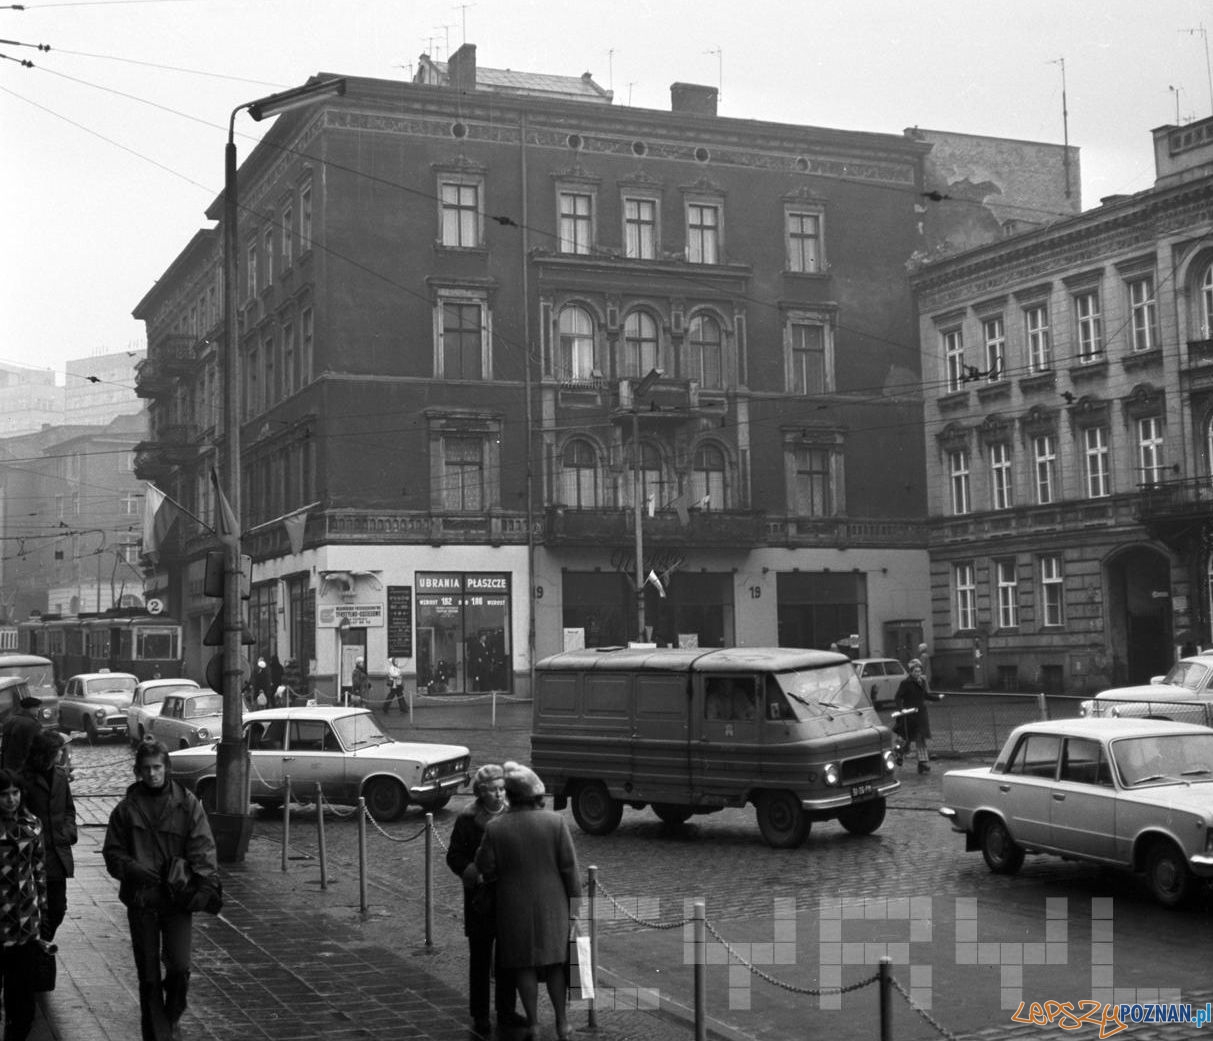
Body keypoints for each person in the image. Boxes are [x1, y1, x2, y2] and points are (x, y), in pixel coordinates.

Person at [103, 739, 219, 1041]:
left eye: (157, 767)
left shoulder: (187, 803)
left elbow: (203, 847)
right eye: (146, 769)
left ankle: (171, 1014)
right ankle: (157, 1035)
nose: (152, 774)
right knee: (149, 976)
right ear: (138, 772)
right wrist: (133, 869)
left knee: (179, 968)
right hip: (142, 900)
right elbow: (113, 854)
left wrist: (201, 883)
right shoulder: (126, 810)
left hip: (176, 899)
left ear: (166, 768)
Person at [476, 761, 581, 1041]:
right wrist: (577, 906)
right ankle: (562, 1023)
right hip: (553, 903)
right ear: (537, 796)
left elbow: (485, 866)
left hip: (513, 905)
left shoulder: (496, 827)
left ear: (510, 796)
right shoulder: (556, 822)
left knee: (524, 965)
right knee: (556, 963)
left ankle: (533, 1024)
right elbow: (570, 868)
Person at [445, 764, 523, 1036]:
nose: (500, 795)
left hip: (508, 896)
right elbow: (454, 856)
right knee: (479, 957)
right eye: (493, 790)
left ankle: (506, 1010)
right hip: (480, 898)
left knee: (507, 957)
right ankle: (479, 1013)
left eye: (502, 789)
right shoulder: (468, 820)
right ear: (480, 792)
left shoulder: (515, 816)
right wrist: (473, 874)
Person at [0, 766, 49, 1041]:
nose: (11, 799)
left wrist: (43, 912)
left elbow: (39, 870)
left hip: (24, 923)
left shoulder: (32, 826)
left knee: (22, 1002)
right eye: (4, 794)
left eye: (15, 792)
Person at [19, 730, 76, 941]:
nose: (62, 755)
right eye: (58, 751)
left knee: (58, 907)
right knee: (36, 906)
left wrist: (68, 832)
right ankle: (39, 945)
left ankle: (42, 942)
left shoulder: (61, 777)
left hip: (58, 852)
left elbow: (69, 810)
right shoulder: (25, 780)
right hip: (34, 855)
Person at [895, 658, 940, 773]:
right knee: (906, 738)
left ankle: (922, 763)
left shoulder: (922, 682)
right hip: (909, 715)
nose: (918, 673)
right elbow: (898, 696)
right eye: (915, 671)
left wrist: (937, 698)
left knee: (920, 738)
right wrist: (901, 709)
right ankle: (899, 754)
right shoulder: (905, 683)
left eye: (919, 671)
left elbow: (925, 695)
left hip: (920, 715)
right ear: (911, 672)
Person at [0, 695, 43, 772]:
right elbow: (34, 747)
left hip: (7, 764)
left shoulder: (9, 720)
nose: (38, 710)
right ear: (31, 708)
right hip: (23, 767)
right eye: (37, 707)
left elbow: (4, 744)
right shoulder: (33, 724)